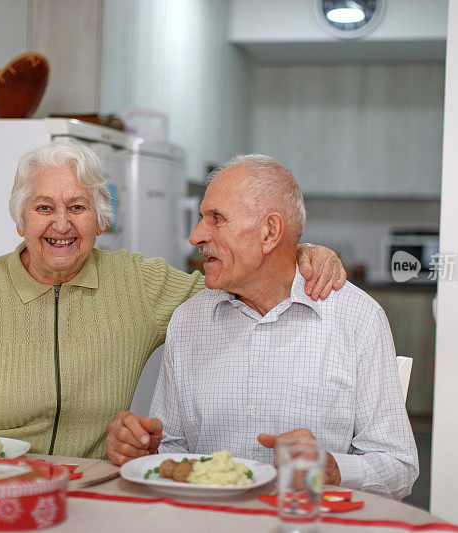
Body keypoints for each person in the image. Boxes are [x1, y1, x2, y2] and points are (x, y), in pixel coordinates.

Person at [0, 141, 346, 459]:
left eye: (78, 207)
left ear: (101, 220)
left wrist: (295, 252)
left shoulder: (138, 284)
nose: (61, 224)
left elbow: (236, 278)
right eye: (44, 208)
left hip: (83, 496)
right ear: (20, 221)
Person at [106, 155, 418, 499]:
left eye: (216, 219)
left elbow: (399, 467)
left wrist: (333, 468)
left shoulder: (357, 319)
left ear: (269, 232)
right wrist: (146, 451)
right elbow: (173, 446)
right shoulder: (188, 319)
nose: (196, 235)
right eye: (201, 218)